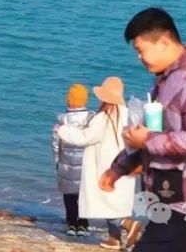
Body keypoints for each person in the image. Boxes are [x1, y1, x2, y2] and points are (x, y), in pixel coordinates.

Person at [99, 7, 186, 252]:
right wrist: (120, 167)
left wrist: (147, 139)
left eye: (141, 50)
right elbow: (160, 132)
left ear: (164, 41)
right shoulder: (168, 78)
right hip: (171, 197)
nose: (139, 58)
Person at [56, 77, 142, 250]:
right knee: (116, 203)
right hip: (126, 166)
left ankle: (128, 225)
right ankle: (114, 239)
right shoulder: (129, 115)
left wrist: (62, 131)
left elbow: (84, 137)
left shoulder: (103, 118)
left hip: (106, 168)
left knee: (105, 202)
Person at [52, 83, 94, 236]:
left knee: (69, 196)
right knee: (84, 195)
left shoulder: (62, 119)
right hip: (86, 163)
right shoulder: (91, 117)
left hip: (66, 163)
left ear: (68, 100)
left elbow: (55, 143)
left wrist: (57, 161)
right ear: (85, 100)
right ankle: (83, 225)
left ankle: (71, 224)